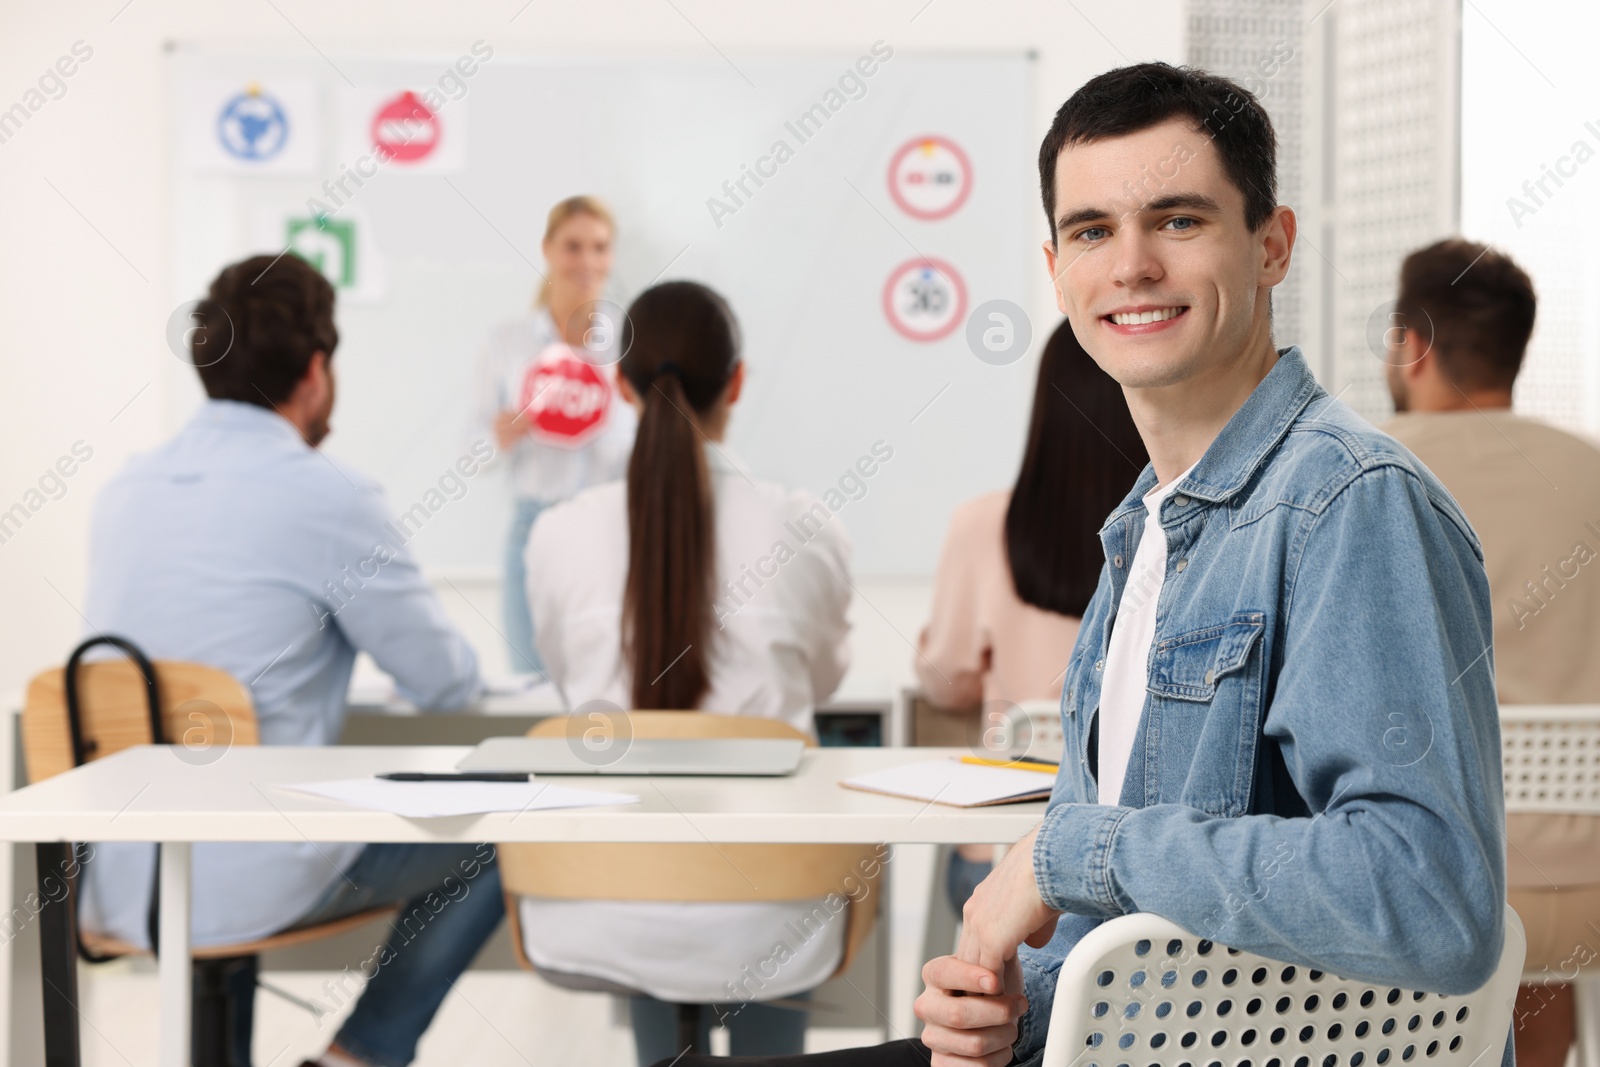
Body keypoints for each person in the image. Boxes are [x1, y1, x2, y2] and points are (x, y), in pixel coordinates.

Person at [657, 61, 1508, 1067]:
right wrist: (1010, 1012)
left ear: (1270, 245)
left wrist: (1072, 848)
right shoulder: (1142, 533)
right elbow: (1130, 935)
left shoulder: (1347, 501)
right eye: (1095, 231)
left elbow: (1431, 896)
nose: (1132, 265)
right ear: (1056, 265)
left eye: (1179, 220)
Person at [79, 253, 504, 1067]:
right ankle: (359, 1054)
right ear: (316, 371)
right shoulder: (329, 494)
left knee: (221, 810)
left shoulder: (124, 490)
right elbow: (444, 682)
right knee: (508, 823)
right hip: (241, 873)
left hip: (120, 878)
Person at [524, 281, 853, 1063]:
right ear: (736, 382)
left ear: (619, 387)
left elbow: (570, 682)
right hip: (776, 903)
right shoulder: (803, 524)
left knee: (655, 916)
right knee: (763, 915)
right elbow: (825, 682)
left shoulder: (559, 533)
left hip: (603, 897)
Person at [1381, 237, 1600, 1067]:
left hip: (1433, 891)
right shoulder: (1590, 473)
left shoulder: (1368, 472)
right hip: (1589, 888)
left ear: (1412, 346)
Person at [917, 320, 1146, 911]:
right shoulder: (1177, 529)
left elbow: (945, 686)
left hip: (1004, 860)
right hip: (1138, 865)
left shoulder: (981, 526)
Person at [472, 194, 636, 676]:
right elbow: (472, 455)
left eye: (600, 248)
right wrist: (499, 435)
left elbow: (647, 447)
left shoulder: (631, 341)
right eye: (573, 247)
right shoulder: (505, 342)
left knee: (612, 681)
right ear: (547, 249)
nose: (588, 261)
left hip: (612, 531)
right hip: (533, 530)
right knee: (533, 686)